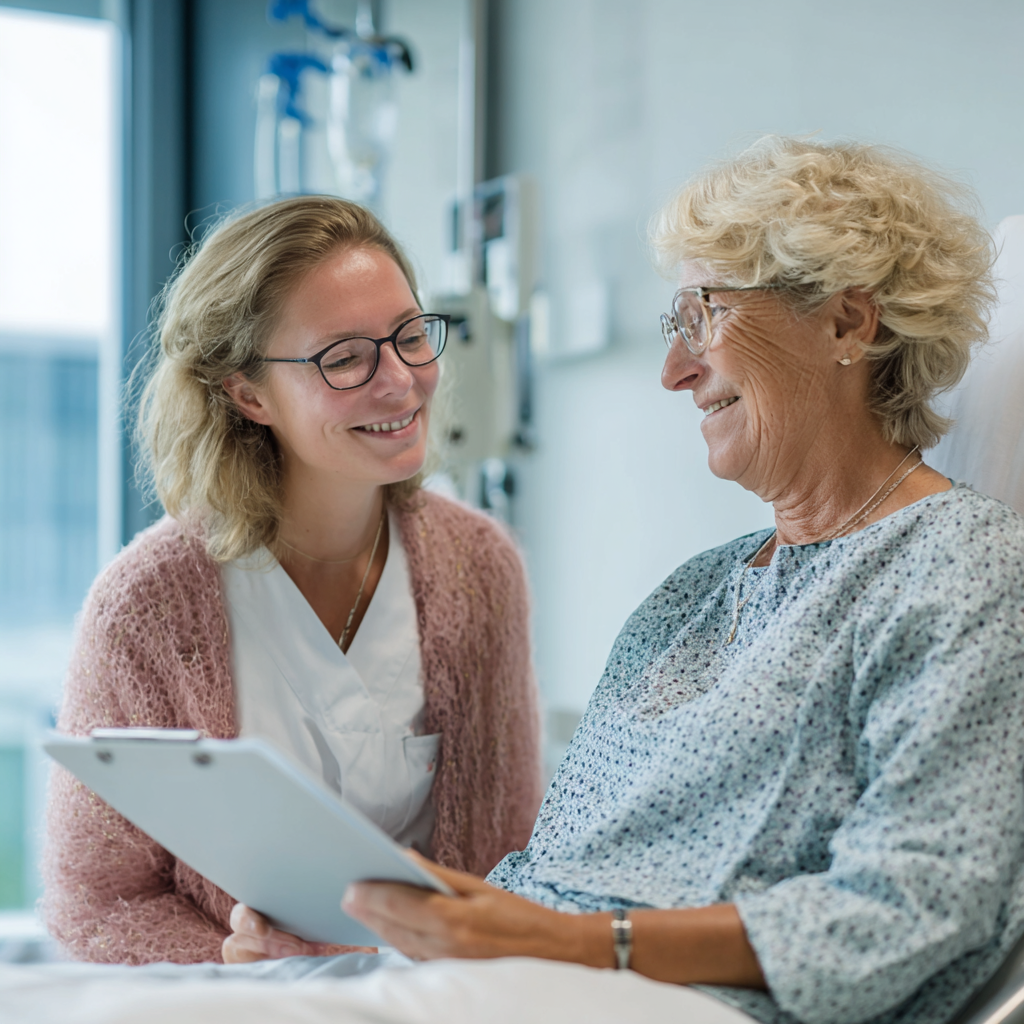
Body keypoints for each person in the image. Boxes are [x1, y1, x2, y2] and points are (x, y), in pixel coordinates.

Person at [231, 138, 1024, 1024]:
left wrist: (569, 946)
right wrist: (374, 943)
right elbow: (547, 881)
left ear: (848, 323)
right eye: (672, 328)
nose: (674, 371)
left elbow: (910, 911)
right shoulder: (690, 597)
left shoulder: (963, 569)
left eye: (704, 318)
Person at [42, 196, 543, 966]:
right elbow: (97, 903)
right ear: (247, 395)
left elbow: (513, 860)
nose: (402, 381)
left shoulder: (479, 569)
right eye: (344, 358)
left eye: (412, 336)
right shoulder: (144, 607)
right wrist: (229, 959)